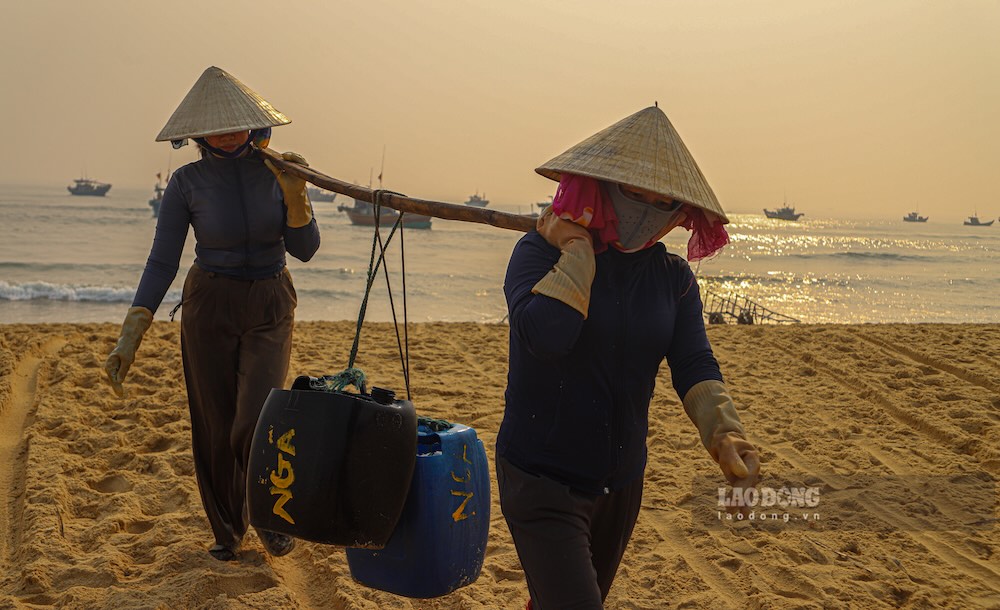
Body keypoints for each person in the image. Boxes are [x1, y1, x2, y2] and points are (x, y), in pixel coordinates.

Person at [497, 104, 760, 609]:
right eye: (633, 194)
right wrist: (576, 252)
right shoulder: (538, 254)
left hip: (619, 482)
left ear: (680, 213)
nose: (645, 210)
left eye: (662, 202)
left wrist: (725, 432)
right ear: (598, 187)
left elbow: (694, 363)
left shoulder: (673, 280)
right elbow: (546, 337)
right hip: (539, 476)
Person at [103, 66, 321, 562]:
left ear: (253, 124)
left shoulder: (281, 171)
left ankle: (269, 515)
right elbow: (163, 260)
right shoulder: (186, 183)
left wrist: (297, 194)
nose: (227, 132)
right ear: (197, 133)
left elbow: (305, 250)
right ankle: (228, 528)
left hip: (270, 302)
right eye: (216, 126)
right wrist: (131, 334)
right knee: (215, 422)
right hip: (208, 305)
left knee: (257, 418)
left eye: (236, 123)